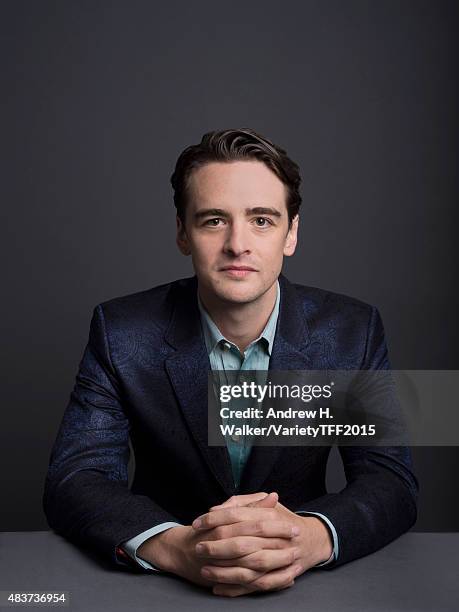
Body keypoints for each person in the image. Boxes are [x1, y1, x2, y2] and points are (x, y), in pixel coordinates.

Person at [43, 128, 418, 597]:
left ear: (291, 233)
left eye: (262, 220)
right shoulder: (121, 331)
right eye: (214, 220)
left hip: (304, 588)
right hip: (162, 590)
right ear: (183, 232)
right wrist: (175, 547)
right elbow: (77, 479)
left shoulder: (350, 331)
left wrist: (311, 539)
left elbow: (391, 480)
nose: (238, 244)